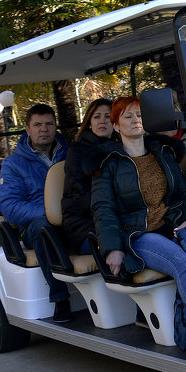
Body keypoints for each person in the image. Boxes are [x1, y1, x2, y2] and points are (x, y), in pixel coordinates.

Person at [90, 96, 186, 324]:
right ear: (116, 126)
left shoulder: (163, 154)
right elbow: (103, 209)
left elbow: (185, 194)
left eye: (139, 115)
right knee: (180, 261)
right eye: (128, 116)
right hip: (138, 235)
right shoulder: (107, 163)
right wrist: (112, 248)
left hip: (175, 226)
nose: (136, 120)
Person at [0, 103, 71, 321]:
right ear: (27, 129)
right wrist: (52, 212)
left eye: (49, 124)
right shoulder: (13, 164)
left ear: (56, 126)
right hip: (36, 226)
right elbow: (10, 207)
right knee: (43, 228)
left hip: (71, 218)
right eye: (37, 124)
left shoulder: (70, 155)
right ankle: (60, 298)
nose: (44, 129)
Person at [61, 98, 114, 255]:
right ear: (89, 122)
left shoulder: (122, 148)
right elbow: (80, 197)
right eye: (97, 117)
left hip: (115, 220)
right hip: (84, 224)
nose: (102, 121)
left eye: (108, 116)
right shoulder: (77, 152)